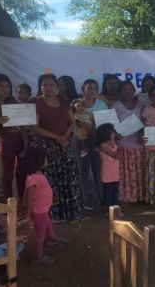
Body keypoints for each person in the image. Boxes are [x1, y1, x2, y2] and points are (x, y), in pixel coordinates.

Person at [31, 73, 79, 223]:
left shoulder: (63, 100)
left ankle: (71, 212)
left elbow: (72, 122)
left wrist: (65, 136)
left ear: (57, 87)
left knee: (68, 179)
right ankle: (55, 214)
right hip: (48, 148)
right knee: (52, 181)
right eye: (45, 85)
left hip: (65, 146)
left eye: (51, 84)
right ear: (40, 87)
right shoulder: (36, 103)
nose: (49, 88)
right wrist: (56, 137)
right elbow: (35, 127)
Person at [22, 148, 69, 265]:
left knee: (48, 227)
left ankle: (55, 239)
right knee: (40, 234)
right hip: (39, 212)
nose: (48, 160)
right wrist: (27, 214)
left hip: (43, 210)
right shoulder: (34, 178)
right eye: (46, 158)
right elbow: (29, 197)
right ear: (40, 161)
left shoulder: (36, 176)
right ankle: (39, 257)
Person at [74, 79, 108, 211]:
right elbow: (72, 120)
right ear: (83, 89)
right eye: (89, 88)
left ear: (97, 91)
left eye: (94, 89)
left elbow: (105, 124)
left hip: (97, 141)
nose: (91, 91)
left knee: (97, 170)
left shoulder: (102, 104)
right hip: (80, 142)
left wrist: (91, 128)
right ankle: (85, 200)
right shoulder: (76, 103)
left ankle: (101, 198)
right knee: (83, 171)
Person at [111, 81, 144, 203]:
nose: (127, 92)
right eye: (124, 89)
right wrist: (115, 134)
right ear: (120, 92)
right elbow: (111, 125)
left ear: (134, 91)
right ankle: (126, 197)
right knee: (125, 173)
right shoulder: (116, 106)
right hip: (122, 145)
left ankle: (139, 196)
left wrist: (142, 134)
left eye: (130, 89)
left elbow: (147, 122)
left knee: (139, 172)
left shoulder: (141, 105)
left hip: (138, 145)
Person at [96, 123, 120, 209]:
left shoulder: (114, 142)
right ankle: (109, 210)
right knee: (108, 193)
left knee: (115, 192)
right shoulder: (102, 145)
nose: (114, 133)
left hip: (115, 173)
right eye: (112, 132)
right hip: (107, 174)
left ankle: (115, 210)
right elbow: (114, 155)